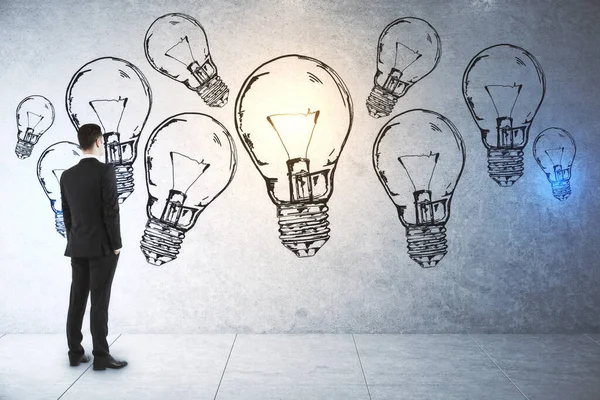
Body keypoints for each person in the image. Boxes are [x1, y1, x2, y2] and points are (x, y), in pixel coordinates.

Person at [60, 123, 127, 370]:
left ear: (81, 143)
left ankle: (75, 352)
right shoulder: (105, 171)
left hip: (77, 246)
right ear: (99, 141)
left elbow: (66, 213)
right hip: (102, 247)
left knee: (77, 299)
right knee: (99, 300)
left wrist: (74, 238)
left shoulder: (67, 175)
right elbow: (111, 210)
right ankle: (100, 355)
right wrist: (116, 243)